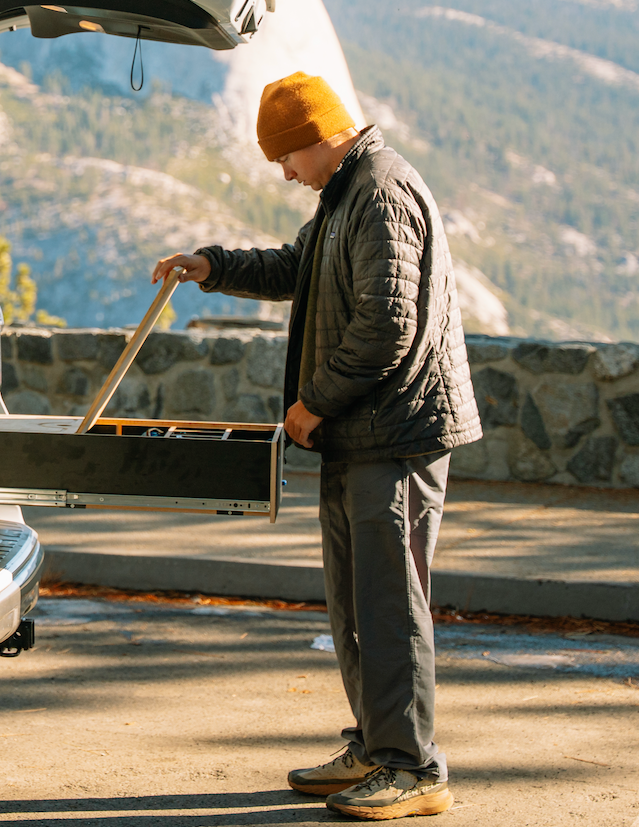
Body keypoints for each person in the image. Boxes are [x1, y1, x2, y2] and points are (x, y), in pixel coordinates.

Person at [152, 72, 481, 821]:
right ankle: (374, 745)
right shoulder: (344, 194)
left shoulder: (381, 192)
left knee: (391, 605)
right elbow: (298, 270)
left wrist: (313, 404)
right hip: (360, 436)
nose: (284, 172)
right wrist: (214, 265)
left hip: (393, 436)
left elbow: (387, 327)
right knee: (359, 604)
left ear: (318, 136)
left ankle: (412, 768)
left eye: (285, 157)